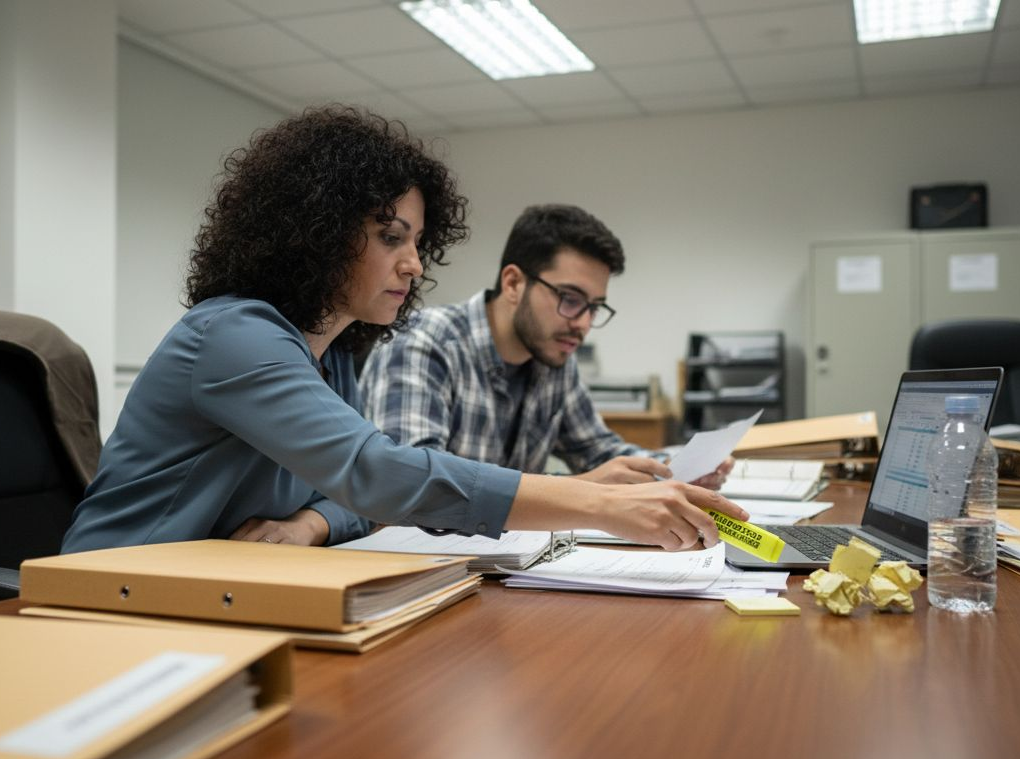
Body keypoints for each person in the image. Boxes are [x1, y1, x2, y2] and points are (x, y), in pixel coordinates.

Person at [61, 106, 745, 555]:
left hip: (219, 590)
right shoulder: (234, 335)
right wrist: (596, 503)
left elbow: (354, 498)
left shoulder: (331, 356)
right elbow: (380, 475)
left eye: (419, 240)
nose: (415, 264)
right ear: (318, 232)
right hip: (107, 597)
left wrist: (312, 522)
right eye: (392, 237)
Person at [359, 204, 733, 488]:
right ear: (513, 284)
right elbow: (414, 487)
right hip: (419, 573)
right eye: (570, 298)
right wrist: (582, 491)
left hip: (505, 568)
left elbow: (600, 451)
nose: (584, 323)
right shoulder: (423, 343)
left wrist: (681, 469)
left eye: (594, 307)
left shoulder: (553, 358)